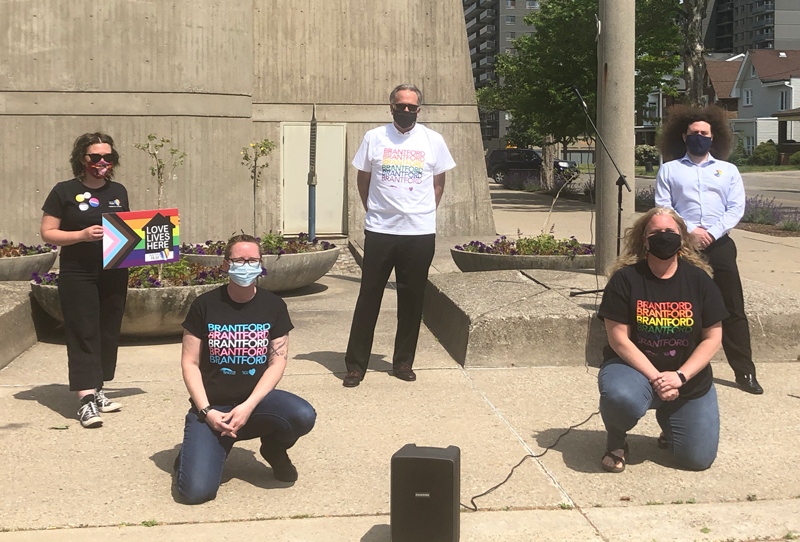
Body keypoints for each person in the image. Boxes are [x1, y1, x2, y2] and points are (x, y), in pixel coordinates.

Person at [175, 234, 316, 504]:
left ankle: (274, 450)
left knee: (301, 415)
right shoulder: (204, 305)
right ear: (226, 264)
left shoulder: (273, 306)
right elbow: (189, 362)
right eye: (239, 260)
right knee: (195, 493)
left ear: (261, 264)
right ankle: (200, 445)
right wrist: (207, 412)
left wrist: (249, 405)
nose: (246, 265)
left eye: (253, 260)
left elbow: (278, 361)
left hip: (256, 403)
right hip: (213, 406)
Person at [597, 207, 728, 473]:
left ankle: (671, 422)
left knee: (697, 460)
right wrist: (658, 378)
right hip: (635, 372)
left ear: (682, 238)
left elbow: (713, 337)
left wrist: (680, 376)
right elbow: (618, 339)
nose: (663, 237)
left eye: (670, 232)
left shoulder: (700, 281)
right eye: (655, 233)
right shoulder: (625, 280)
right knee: (621, 396)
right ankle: (617, 439)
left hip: (687, 378)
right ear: (644, 240)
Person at [342, 83, 456, 388]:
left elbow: (438, 184)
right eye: (400, 106)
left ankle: (403, 361)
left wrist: (422, 213)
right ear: (391, 106)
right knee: (369, 297)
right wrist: (375, 211)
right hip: (380, 230)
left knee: (412, 299)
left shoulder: (433, 140)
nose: (406, 111)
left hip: (419, 233)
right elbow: (363, 180)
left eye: (412, 107)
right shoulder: (374, 138)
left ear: (419, 110)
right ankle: (355, 365)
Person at [655, 104, 763, 395]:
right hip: (684, 247)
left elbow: (735, 207)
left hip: (721, 246)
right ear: (683, 136)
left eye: (705, 133)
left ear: (714, 137)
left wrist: (712, 233)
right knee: (684, 308)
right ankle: (684, 371)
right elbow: (664, 206)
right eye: (694, 133)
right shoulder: (669, 169)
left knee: (732, 308)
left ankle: (745, 372)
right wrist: (691, 230)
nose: (699, 136)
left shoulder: (727, 170)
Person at [41, 133, 129, 428]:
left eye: (108, 157)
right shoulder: (64, 191)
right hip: (78, 273)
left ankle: (98, 388)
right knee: (83, 332)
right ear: (82, 159)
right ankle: (85, 399)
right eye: (95, 157)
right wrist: (80, 235)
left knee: (107, 331)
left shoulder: (119, 191)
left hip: (114, 272)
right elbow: (48, 232)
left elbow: (128, 232)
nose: (102, 163)